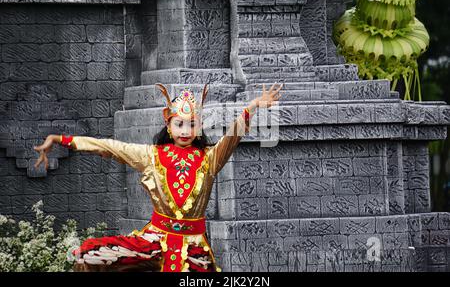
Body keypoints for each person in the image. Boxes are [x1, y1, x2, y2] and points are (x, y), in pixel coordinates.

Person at [33, 82, 283, 272]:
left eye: (192, 124)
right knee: (90, 255)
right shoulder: (150, 155)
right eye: (179, 124)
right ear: (168, 125)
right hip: (153, 242)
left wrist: (252, 106)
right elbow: (109, 146)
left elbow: (232, 137)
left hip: (195, 248)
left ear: (199, 128)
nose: (185, 130)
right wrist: (61, 140)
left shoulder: (210, 158)